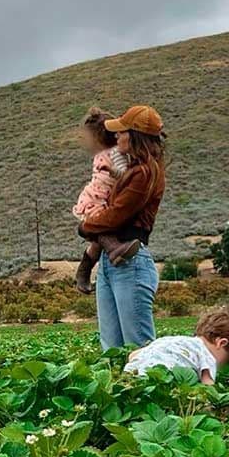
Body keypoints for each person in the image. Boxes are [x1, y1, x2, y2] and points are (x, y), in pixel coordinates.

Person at [79, 105, 166, 351]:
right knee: (113, 351)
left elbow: (115, 217)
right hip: (113, 262)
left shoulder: (145, 174)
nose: (116, 137)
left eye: (122, 132)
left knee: (138, 349)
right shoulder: (132, 169)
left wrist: (85, 226)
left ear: (135, 136)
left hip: (131, 262)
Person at [72, 107, 141, 294]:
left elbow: (124, 175)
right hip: (97, 198)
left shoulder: (116, 154)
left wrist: (111, 171)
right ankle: (114, 250)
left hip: (102, 198)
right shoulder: (105, 154)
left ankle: (84, 272)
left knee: (97, 241)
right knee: (101, 233)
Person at [124, 308, 229, 384]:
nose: (217, 367)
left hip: (131, 374)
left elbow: (133, 355)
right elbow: (207, 385)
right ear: (221, 343)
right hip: (162, 379)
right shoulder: (206, 354)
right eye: (222, 362)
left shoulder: (173, 340)